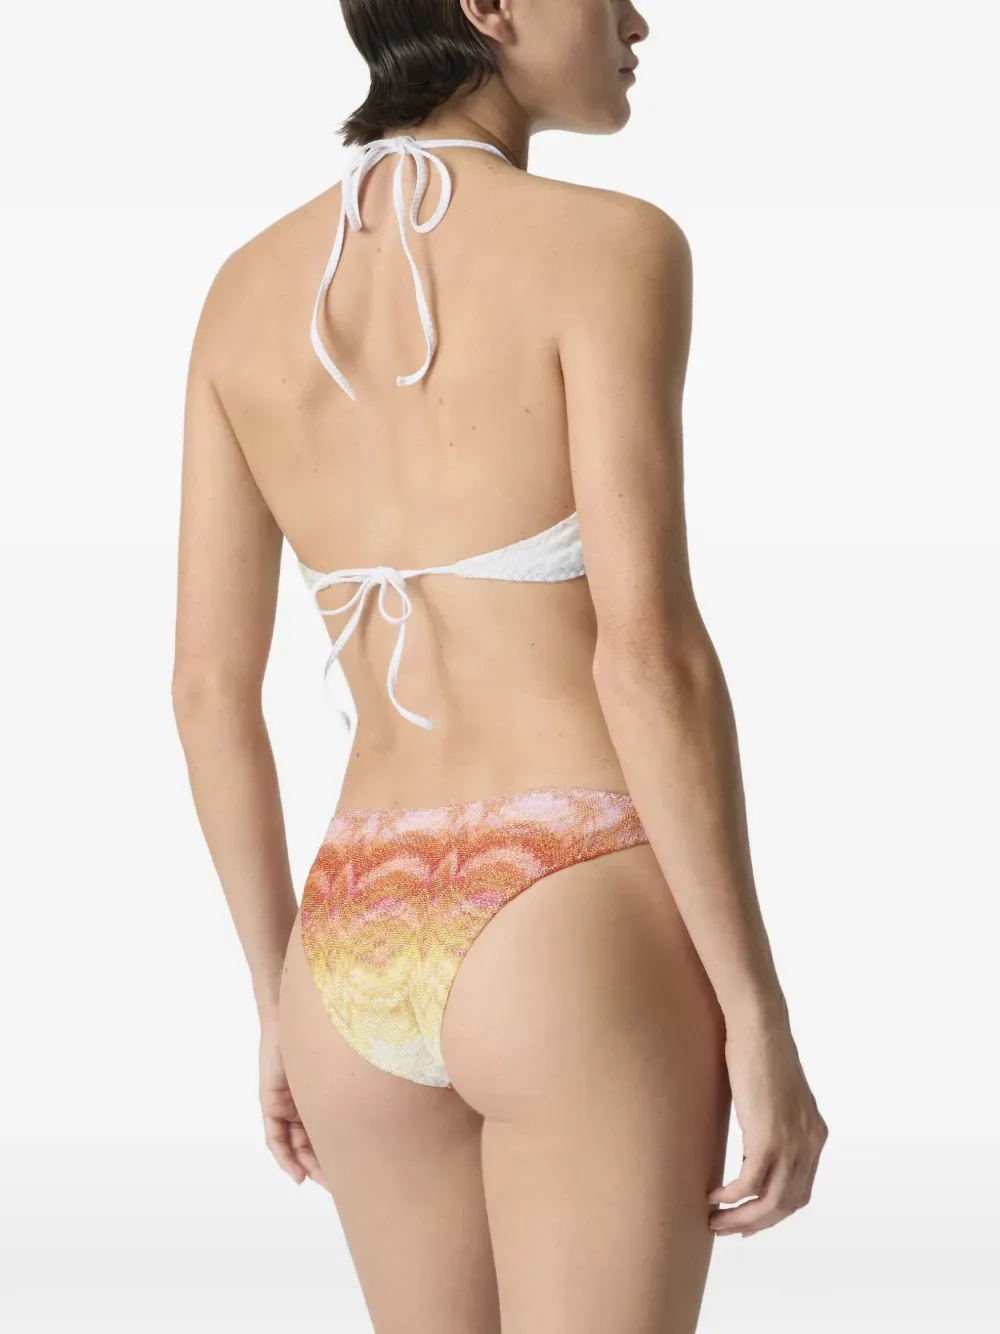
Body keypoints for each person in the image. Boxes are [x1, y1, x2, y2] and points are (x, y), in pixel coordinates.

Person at [172, 1, 828, 1330]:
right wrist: (756, 1013)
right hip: (566, 904)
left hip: (348, 928)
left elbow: (205, 691)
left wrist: (275, 1001)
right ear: (489, 3)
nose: (638, 20)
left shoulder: (243, 291)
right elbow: (650, 658)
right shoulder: (611, 248)